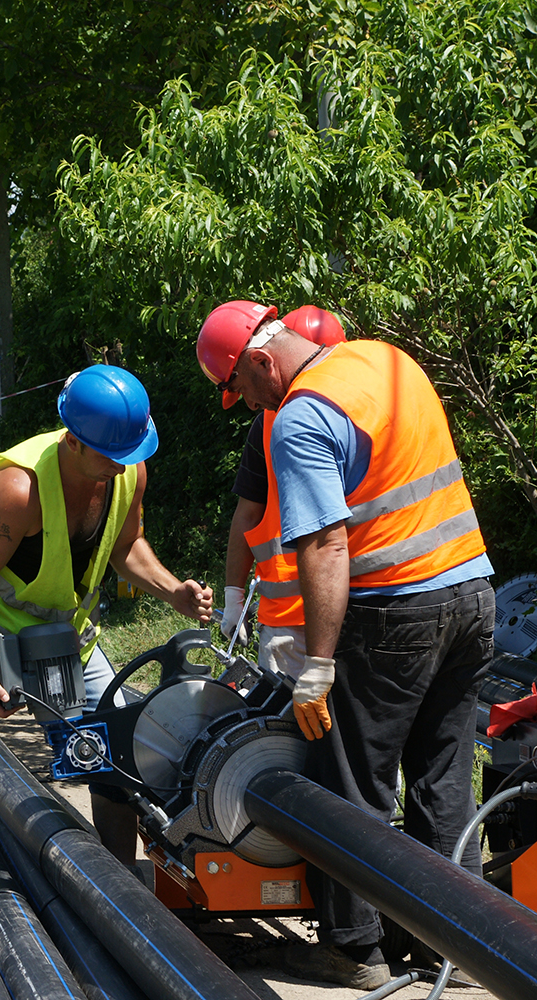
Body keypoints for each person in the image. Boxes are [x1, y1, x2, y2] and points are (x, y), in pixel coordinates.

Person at [0, 365, 214, 968]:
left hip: (61, 636)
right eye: (110, 454)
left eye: (131, 452)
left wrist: (172, 590)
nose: (123, 464)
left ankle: (114, 896)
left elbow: (125, 547)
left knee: (112, 754)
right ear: (72, 439)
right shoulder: (19, 487)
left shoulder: (129, 470)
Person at [197, 301, 494, 990]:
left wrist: (320, 665)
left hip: (395, 612)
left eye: (241, 388)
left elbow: (326, 544)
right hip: (473, 595)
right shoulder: (387, 361)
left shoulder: (301, 416)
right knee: (442, 778)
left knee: (349, 783)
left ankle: (354, 949)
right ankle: (464, 943)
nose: (247, 404)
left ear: (263, 362)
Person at [218, 305, 345, 676]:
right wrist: (233, 597)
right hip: (307, 616)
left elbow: (247, 514)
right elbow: (249, 514)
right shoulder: (269, 425)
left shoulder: (282, 419)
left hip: (325, 616)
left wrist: (233, 597)